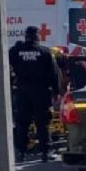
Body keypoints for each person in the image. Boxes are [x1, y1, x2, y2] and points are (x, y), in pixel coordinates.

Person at [8, 26, 60, 163]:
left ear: (25, 36)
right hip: (41, 91)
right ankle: (46, 152)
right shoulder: (45, 52)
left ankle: (22, 152)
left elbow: (5, 65)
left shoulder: (16, 51)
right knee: (43, 123)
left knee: (22, 123)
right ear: (38, 37)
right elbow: (54, 74)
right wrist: (56, 92)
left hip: (22, 91)